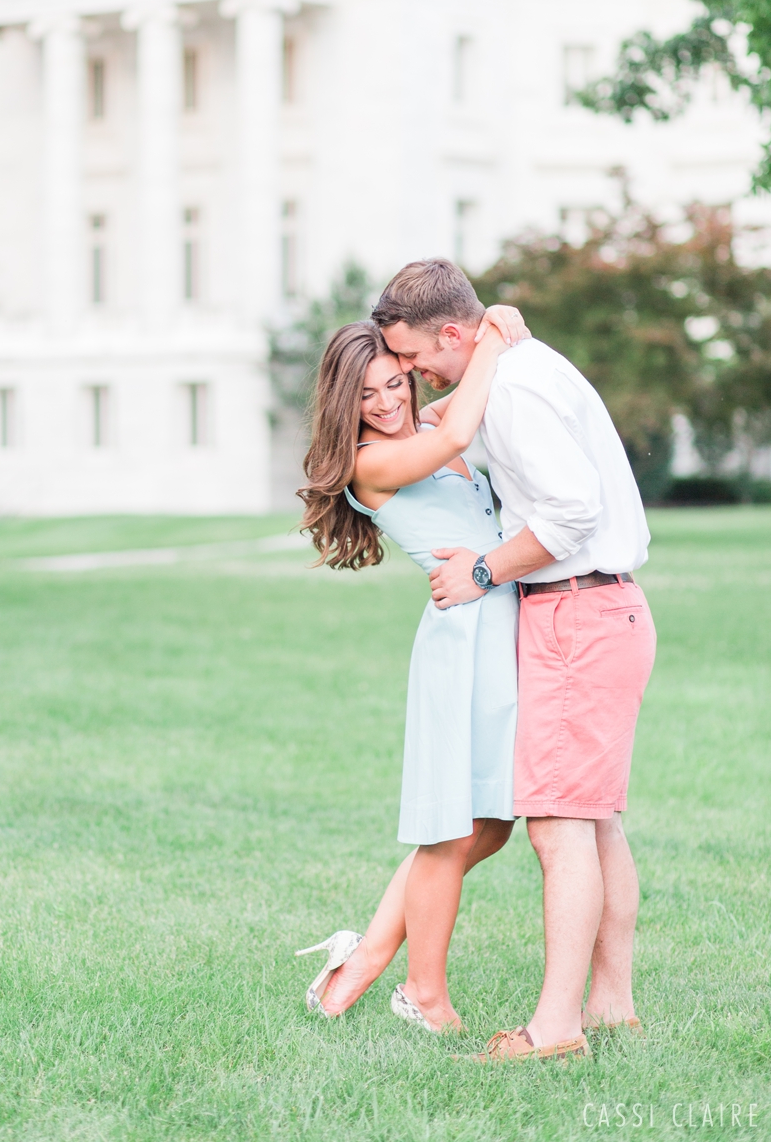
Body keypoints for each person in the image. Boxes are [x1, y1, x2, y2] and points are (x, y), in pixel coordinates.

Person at [372, 258, 656, 1062]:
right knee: (595, 821)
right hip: (602, 607)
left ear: (454, 334)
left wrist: (485, 569)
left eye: (418, 358)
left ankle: (556, 1029)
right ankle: (611, 1003)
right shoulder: (513, 366)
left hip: (576, 609)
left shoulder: (516, 388)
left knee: (559, 829)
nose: (414, 378)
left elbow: (570, 512)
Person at [295, 305, 527, 1033]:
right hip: (462, 641)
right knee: (452, 829)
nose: (390, 402)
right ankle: (422, 993)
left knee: (490, 827)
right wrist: (492, 334)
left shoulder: (424, 428)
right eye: (368, 394)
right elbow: (463, 426)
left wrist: (498, 330)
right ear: (345, 404)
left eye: (397, 382)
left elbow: (459, 405)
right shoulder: (372, 462)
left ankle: (362, 957)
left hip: (497, 620)